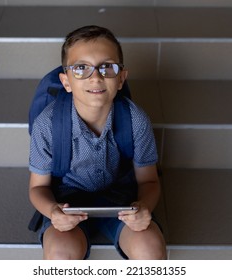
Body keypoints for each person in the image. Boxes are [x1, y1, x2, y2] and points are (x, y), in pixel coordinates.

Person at [29, 25, 166, 260]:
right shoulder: (48, 125)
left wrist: (144, 208)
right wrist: (53, 211)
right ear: (66, 81)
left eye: (107, 67)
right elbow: (37, 188)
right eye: (81, 68)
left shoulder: (135, 120)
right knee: (60, 254)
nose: (96, 77)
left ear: (121, 78)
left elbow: (150, 181)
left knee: (150, 248)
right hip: (67, 200)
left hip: (121, 199)